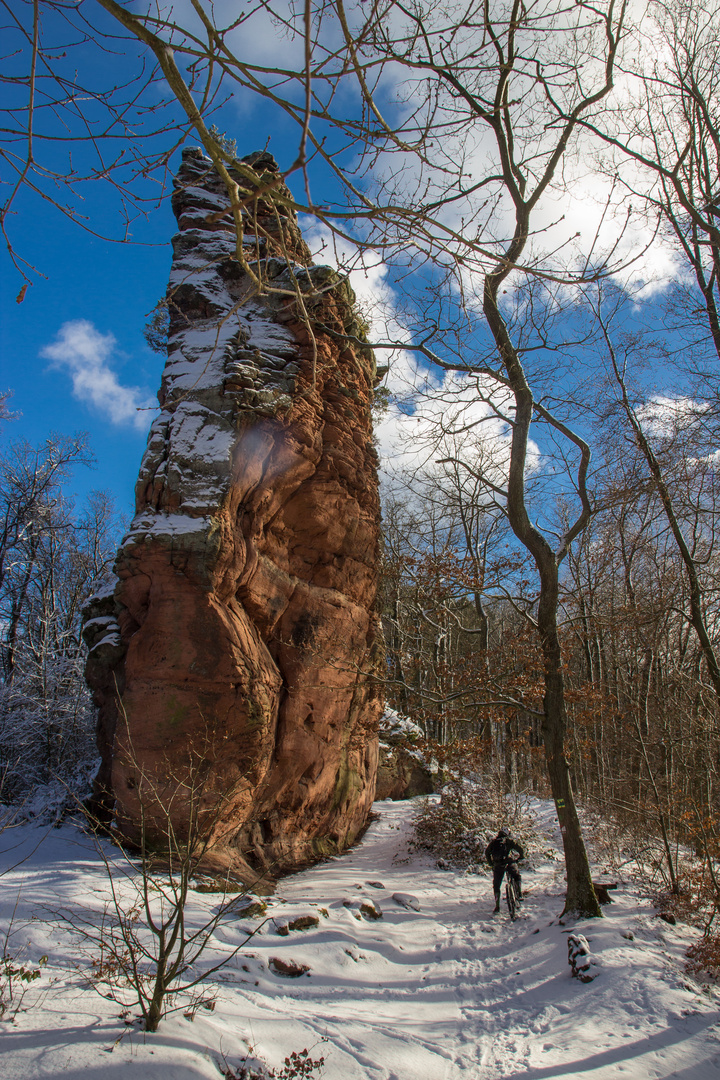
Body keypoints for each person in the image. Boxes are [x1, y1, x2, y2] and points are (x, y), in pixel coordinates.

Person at [485, 827, 525, 913]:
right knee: (517, 876)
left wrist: (491, 863)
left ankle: (497, 906)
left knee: (496, 885)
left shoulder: (493, 842)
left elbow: (487, 852)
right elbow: (520, 849)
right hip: (509, 863)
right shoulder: (508, 841)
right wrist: (520, 857)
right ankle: (519, 894)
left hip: (498, 865)